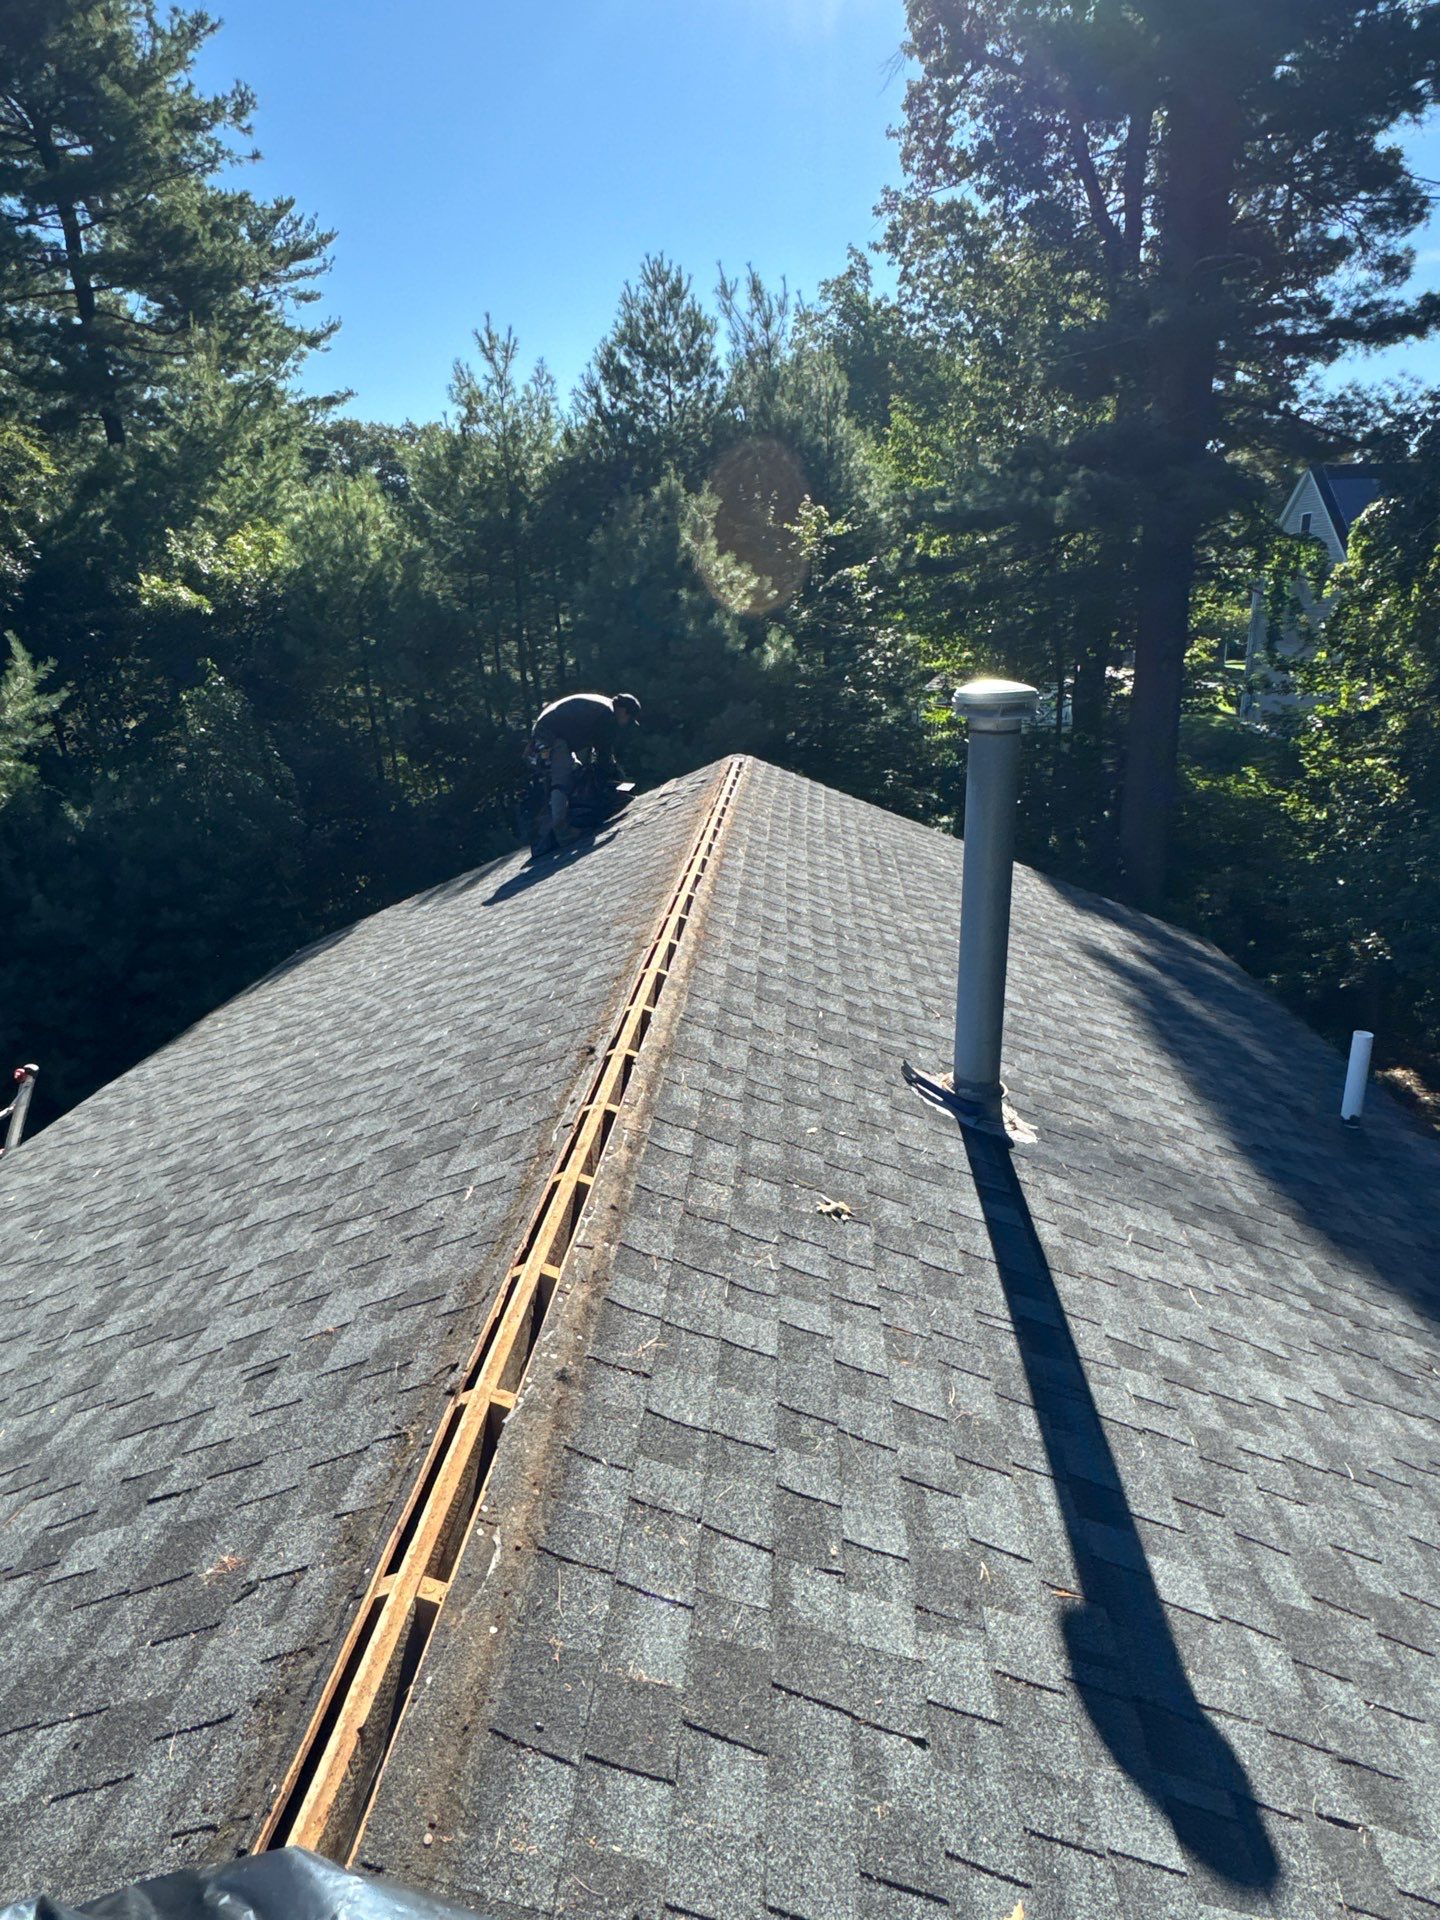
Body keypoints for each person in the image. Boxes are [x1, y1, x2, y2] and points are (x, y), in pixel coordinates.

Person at [529, 691, 640, 851]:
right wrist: (611, 784)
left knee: (579, 771)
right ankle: (563, 832)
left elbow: (597, 752)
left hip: (552, 732)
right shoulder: (607, 714)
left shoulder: (601, 707)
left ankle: (569, 818)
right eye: (629, 719)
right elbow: (604, 754)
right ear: (623, 711)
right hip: (550, 736)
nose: (627, 723)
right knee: (562, 778)